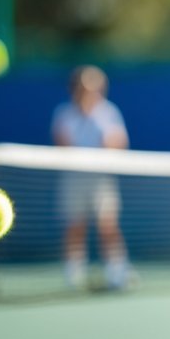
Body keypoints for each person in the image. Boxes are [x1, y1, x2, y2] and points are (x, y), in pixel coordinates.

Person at [53, 65, 134, 290]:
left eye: (94, 87)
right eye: (83, 87)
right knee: (75, 226)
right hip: (74, 179)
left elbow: (120, 142)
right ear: (75, 89)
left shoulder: (109, 112)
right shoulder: (64, 114)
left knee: (108, 225)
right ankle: (74, 274)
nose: (89, 92)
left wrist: (109, 144)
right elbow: (62, 144)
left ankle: (117, 272)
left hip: (101, 180)